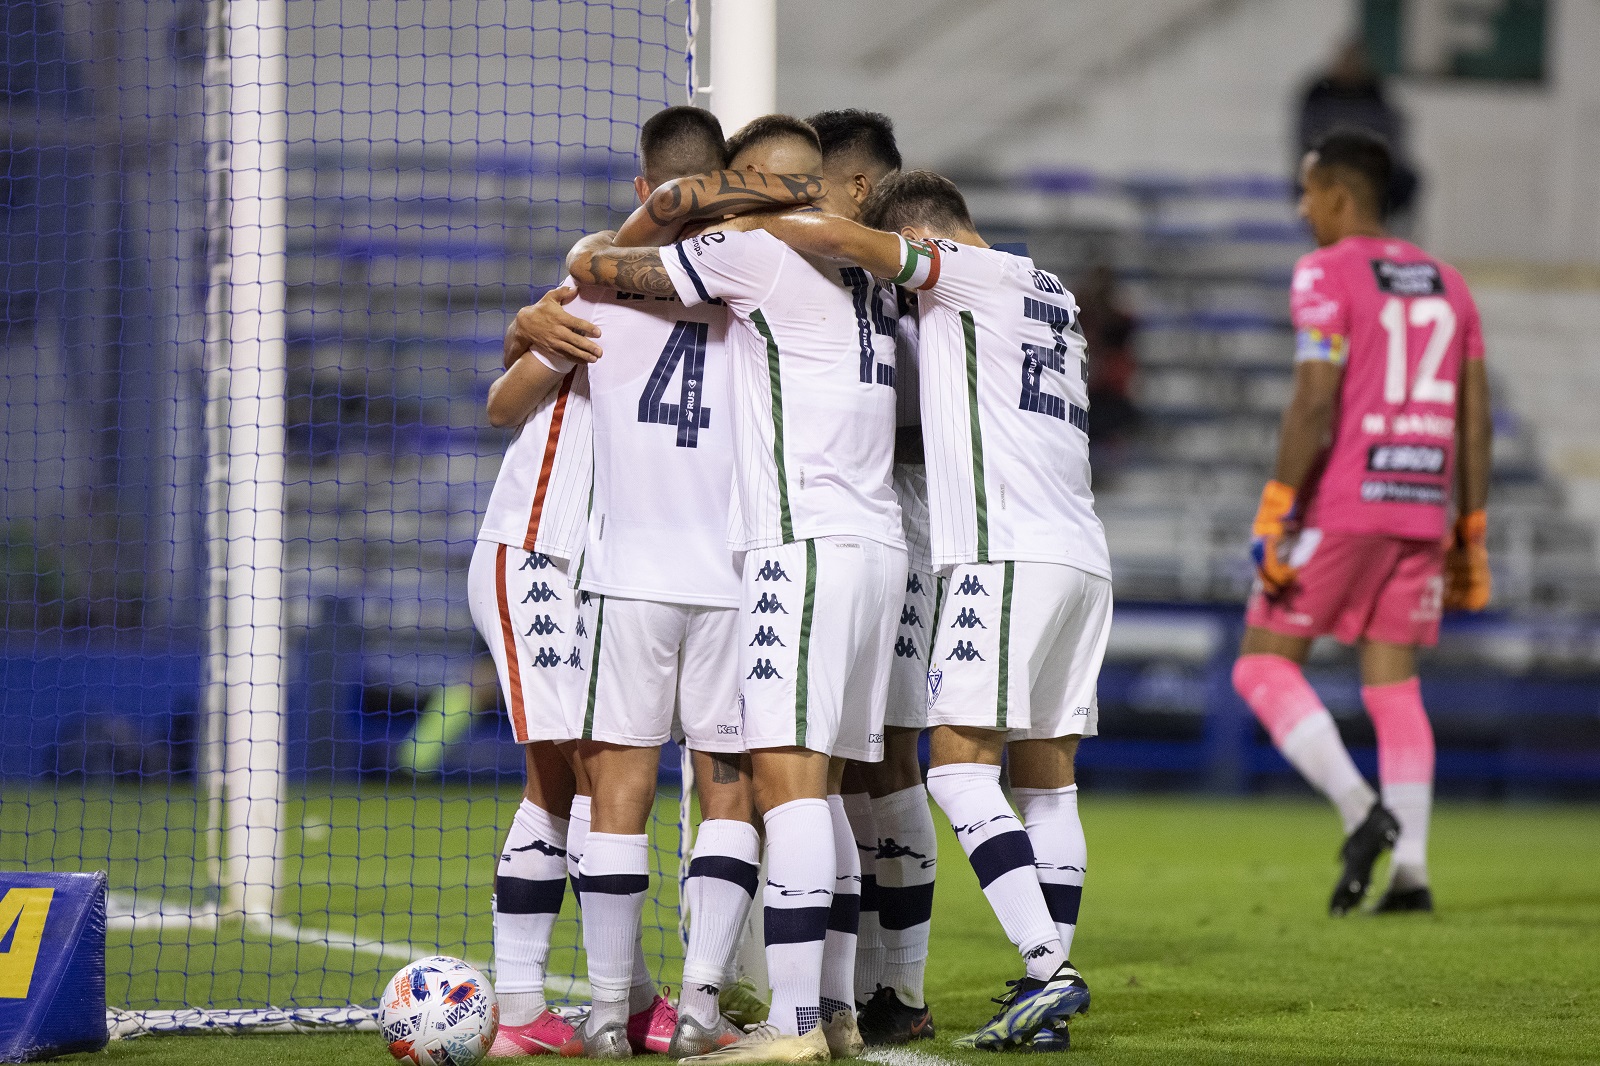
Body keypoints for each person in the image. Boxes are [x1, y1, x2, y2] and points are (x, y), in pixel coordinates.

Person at [726, 170, 1110, 1051]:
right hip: (1083, 553)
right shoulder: (1050, 290)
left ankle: (1050, 968)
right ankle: (1037, 998)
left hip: (1008, 551)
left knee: (957, 769)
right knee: (1048, 781)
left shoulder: (968, 270)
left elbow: (852, 245)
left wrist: (755, 208)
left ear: (927, 240)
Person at [564, 114, 907, 1065]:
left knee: (780, 785)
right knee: (824, 790)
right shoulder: (873, 274)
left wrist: (590, 252)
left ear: (758, 181)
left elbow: (608, 268)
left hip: (789, 549)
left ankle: (784, 1027)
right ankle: (825, 1008)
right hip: (875, 546)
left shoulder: (754, 255)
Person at [521, 106, 819, 1060]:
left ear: (646, 184)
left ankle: (611, 1010)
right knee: (726, 796)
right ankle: (695, 1006)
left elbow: (511, 374)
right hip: (734, 581)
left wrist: (540, 307)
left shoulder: (596, 290)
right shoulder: (760, 295)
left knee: (617, 794)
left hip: (627, 581)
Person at [1232, 128, 1492, 916]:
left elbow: (1315, 398)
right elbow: (1473, 424)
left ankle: (1360, 810)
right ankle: (1410, 869)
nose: (1302, 207)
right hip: (1422, 508)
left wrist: (1278, 505)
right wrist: (1469, 531)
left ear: (1340, 195)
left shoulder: (1324, 271)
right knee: (1395, 688)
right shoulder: (1451, 284)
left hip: (1348, 502)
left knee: (1262, 665)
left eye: (1308, 192)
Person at [804, 108, 937, 1048]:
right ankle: (845, 992)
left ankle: (902, 989)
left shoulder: (917, 278)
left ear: (856, 188)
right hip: (854, 519)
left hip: (905, 514)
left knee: (885, 754)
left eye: (813, 184)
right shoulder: (843, 274)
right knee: (838, 757)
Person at [466, 308, 595, 1057]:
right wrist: (531, 324)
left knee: (565, 784)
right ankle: (600, 1002)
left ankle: (524, 1015)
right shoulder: (596, 300)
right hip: (534, 554)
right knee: (593, 774)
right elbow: (500, 404)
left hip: (597, 572)